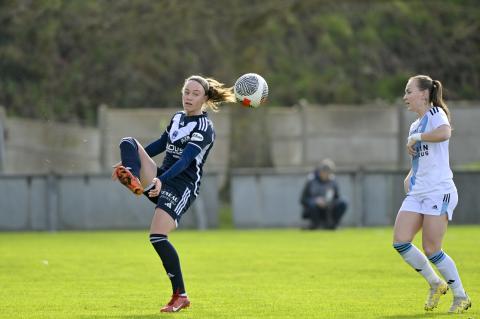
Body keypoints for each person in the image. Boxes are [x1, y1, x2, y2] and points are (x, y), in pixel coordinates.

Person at [112, 75, 236, 312]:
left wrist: (161, 180)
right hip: (161, 178)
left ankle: (181, 295)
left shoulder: (205, 128)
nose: (188, 97)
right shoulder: (178, 117)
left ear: (205, 98)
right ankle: (131, 173)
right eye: (186, 92)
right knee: (128, 142)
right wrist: (129, 162)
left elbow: (186, 160)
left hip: (181, 187)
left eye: (195, 94)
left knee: (157, 237)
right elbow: (161, 143)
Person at [392, 75, 471, 313]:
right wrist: (410, 176)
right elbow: (423, 158)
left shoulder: (436, 113)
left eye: (409, 92)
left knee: (432, 248)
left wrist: (417, 138)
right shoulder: (415, 125)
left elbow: (444, 133)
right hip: (419, 192)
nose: (405, 97)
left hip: (439, 191)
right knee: (400, 241)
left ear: (424, 94)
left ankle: (461, 296)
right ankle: (435, 283)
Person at [300, 158, 347, 230]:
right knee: (312, 204)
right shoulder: (311, 180)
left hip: (329, 209)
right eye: (324, 170)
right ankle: (315, 225)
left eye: (328, 171)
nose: (326, 173)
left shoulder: (333, 181)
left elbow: (337, 197)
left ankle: (333, 224)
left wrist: (328, 202)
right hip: (314, 209)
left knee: (343, 202)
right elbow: (303, 199)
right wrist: (316, 201)